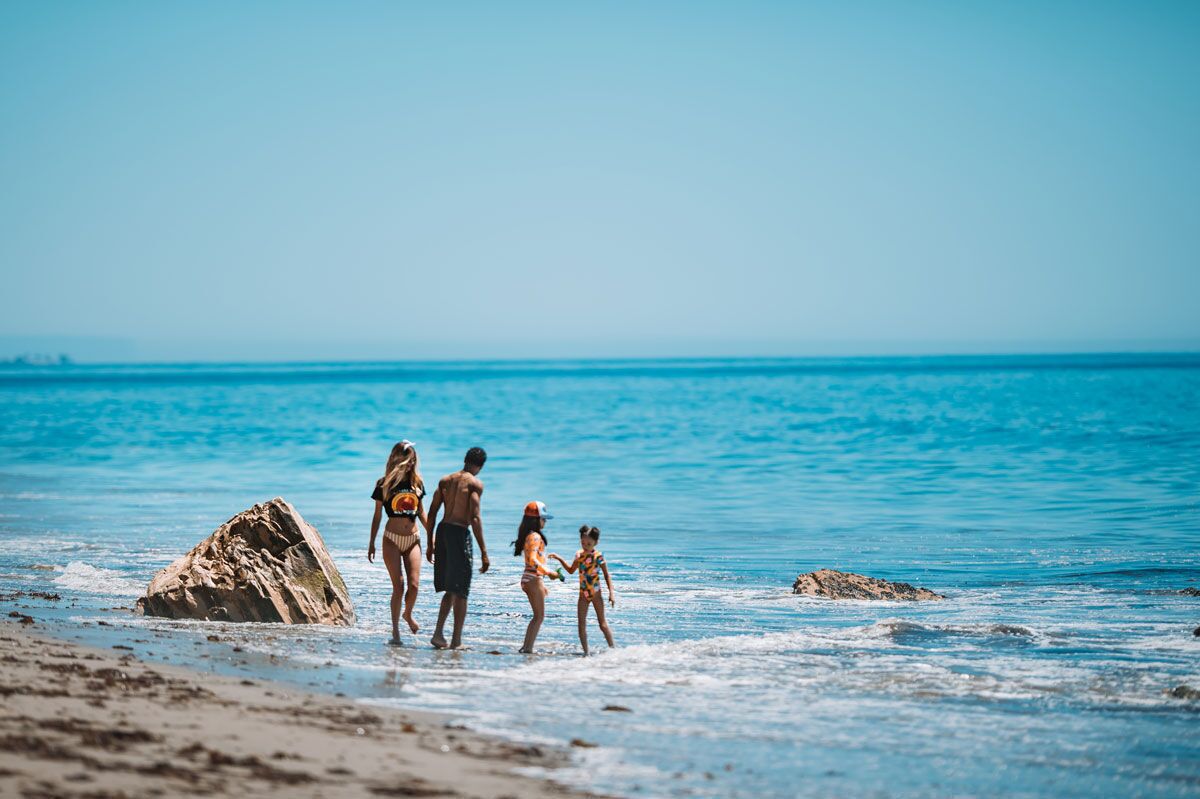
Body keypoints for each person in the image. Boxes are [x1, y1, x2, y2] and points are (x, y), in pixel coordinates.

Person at [424, 447, 489, 649]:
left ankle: (438, 634)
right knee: (461, 590)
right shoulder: (475, 484)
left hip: (442, 532)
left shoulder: (445, 480)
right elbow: (475, 517)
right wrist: (484, 552)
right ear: (480, 466)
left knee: (451, 588)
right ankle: (456, 641)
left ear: (465, 459)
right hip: (459, 533)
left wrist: (429, 543)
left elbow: (432, 513)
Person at [367, 440, 426, 645]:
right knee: (399, 586)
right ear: (397, 460)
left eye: (413, 461)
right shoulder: (383, 484)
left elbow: (421, 512)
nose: (410, 465)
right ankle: (396, 632)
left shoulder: (417, 484)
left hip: (413, 538)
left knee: (415, 585)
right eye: (407, 461)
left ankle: (407, 615)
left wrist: (433, 538)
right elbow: (376, 517)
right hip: (391, 538)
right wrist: (372, 542)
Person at [551, 525, 615, 655]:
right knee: (581, 626)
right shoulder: (579, 555)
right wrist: (559, 558)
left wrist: (611, 593)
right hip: (583, 595)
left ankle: (613, 650)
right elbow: (570, 570)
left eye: (589, 543)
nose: (585, 546)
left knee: (602, 624)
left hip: (596, 595)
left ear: (596, 543)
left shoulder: (598, 556)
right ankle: (586, 653)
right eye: (583, 543)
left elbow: (607, 575)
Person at [514, 501, 565, 654]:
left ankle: (526, 647)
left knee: (537, 616)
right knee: (539, 616)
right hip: (533, 578)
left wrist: (543, 582)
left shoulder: (529, 536)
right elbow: (532, 559)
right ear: (536, 520)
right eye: (543, 519)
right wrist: (549, 572)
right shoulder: (535, 536)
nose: (545, 522)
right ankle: (528, 648)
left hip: (530, 578)